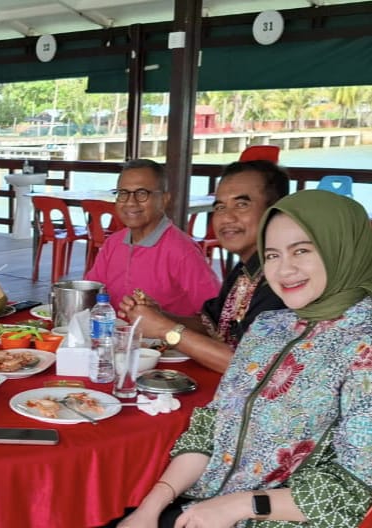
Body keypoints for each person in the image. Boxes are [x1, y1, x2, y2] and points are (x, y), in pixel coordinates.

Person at [117, 190, 372, 528]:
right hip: (200, 505)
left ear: (341, 247)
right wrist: (151, 507)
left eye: (302, 250)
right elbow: (211, 427)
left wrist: (236, 507)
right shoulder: (269, 326)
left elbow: (355, 487)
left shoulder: (363, 345)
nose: (284, 269)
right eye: (272, 255)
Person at [118, 160, 290, 372]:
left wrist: (164, 329)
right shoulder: (245, 271)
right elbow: (212, 325)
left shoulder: (282, 279)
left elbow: (249, 367)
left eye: (241, 204)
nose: (226, 217)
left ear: (275, 211)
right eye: (220, 207)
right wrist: (158, 316)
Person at [85, 159, 220, 316]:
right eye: (123, 193)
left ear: (164, 199)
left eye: (142, 193)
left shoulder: (182, 251)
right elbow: (90, 292)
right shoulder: (113, 244)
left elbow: (217, 316)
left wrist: (164, 320)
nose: (130, 202)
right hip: (113, 331)